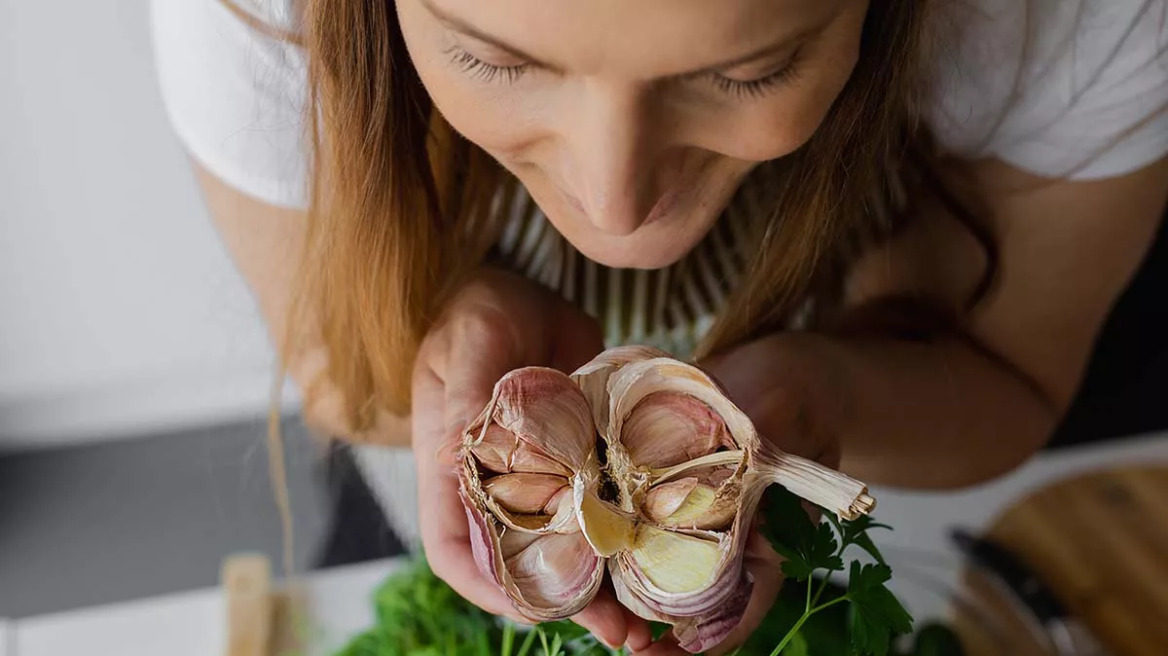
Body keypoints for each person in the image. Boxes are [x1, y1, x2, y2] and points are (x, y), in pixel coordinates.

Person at [152, 0, 1168, 651]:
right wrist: (455, 334)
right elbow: (337, 370)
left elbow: (1011, 374)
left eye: (747, 71)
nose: (616, 205)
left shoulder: (1072, 16)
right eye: (489, 58)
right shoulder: (257, 13)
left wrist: (834, 391)